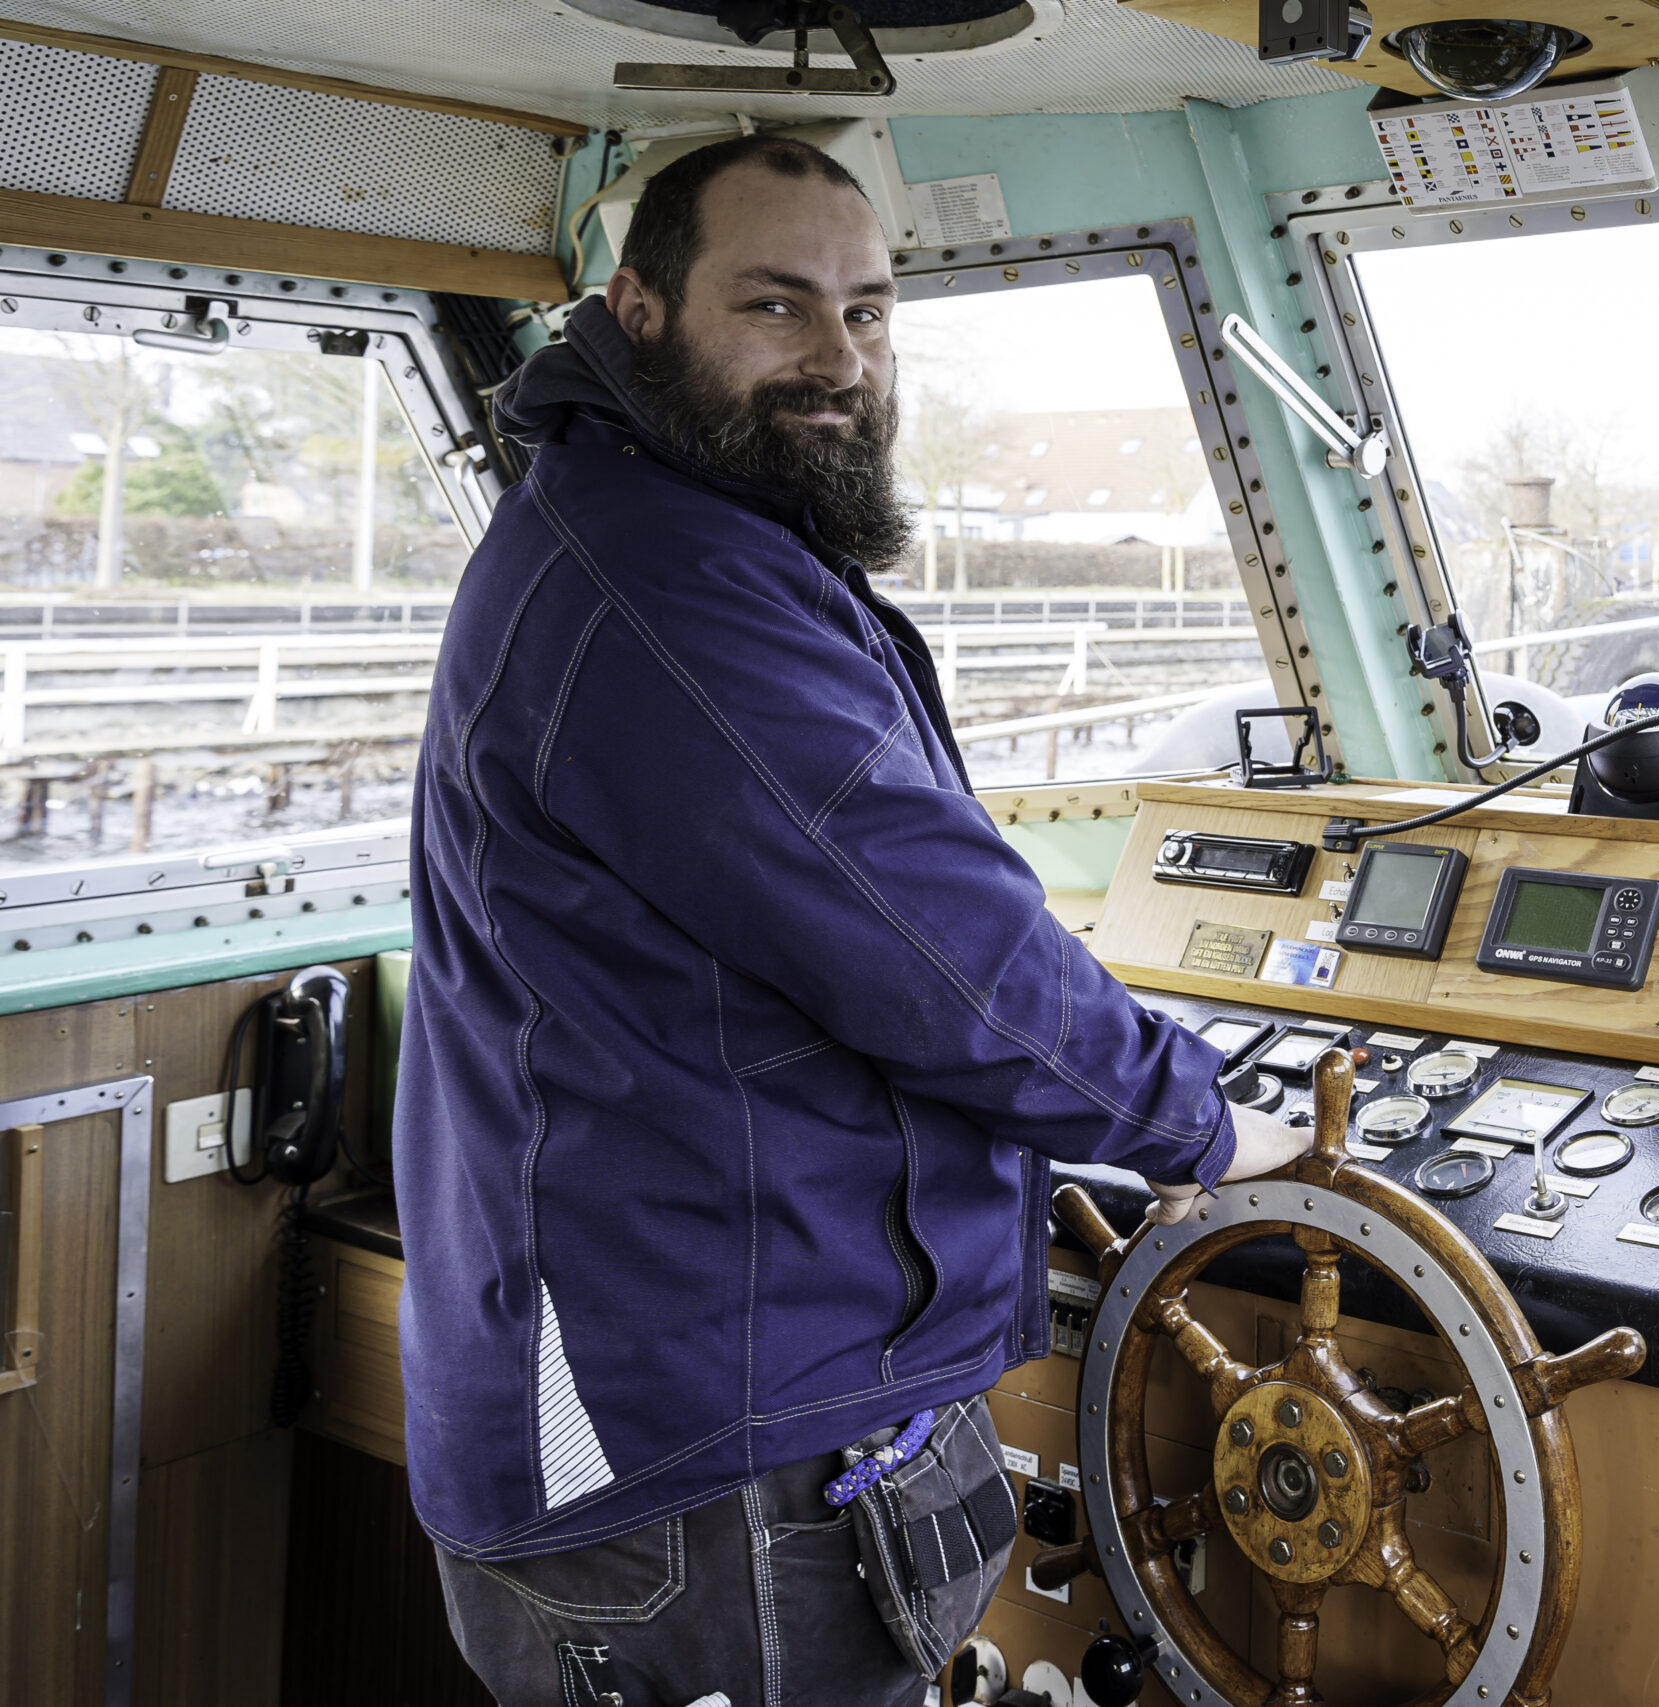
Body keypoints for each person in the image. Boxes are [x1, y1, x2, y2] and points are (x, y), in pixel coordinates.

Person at [393, 132, 1306, 1707]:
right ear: (641, 309)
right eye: (776, 304)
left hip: (667, 1385)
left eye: (869, 311)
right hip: (695, 1446)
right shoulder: (668, 584)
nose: (838, 357)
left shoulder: (657, 527)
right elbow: (944, 953)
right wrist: (1204, 1126)